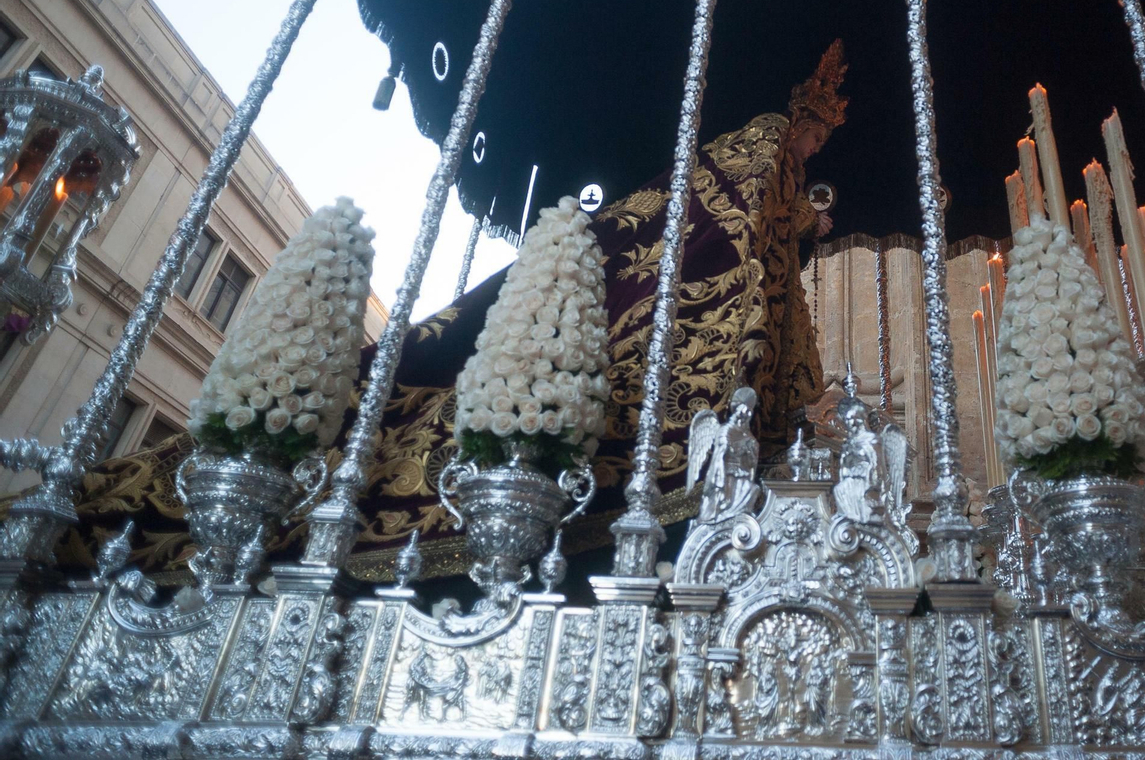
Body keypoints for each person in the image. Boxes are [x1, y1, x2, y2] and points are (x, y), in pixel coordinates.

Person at [57, 43, 849, 586]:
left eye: (820, 133)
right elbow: (727, 210)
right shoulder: (769, 141)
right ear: (802, 117)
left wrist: (797, 233)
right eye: (818, 128)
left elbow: (769, 232)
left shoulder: (790, 164)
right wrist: (778, 225)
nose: (816, 141)